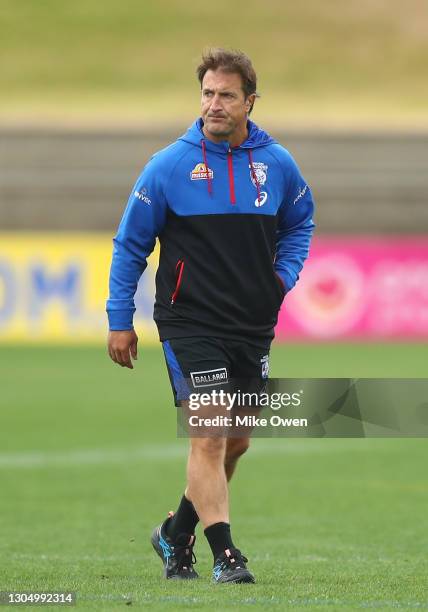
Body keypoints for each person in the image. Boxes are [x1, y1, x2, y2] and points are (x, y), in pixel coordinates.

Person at [106, 48, 315, 584]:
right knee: (210, 432)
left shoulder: (278, 164)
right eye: (206, 93)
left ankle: (175, 534)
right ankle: (224, 553)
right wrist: (119, 317)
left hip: (251, 321)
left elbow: (300, 221)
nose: (213, 104)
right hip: (188, 319)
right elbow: (131, 244)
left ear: (250, 101)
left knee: (237, 439)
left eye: (225, 95)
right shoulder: (169, 165)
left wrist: (281, 278)